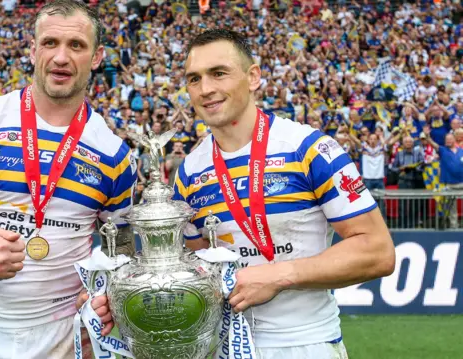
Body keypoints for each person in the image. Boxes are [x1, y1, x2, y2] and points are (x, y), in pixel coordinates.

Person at [0, 1, 136, 358]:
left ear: (97, 57)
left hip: (63, 336)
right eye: (50, 43)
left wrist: (106, 292)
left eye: (76, 46)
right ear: (33, 50)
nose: (61, 57)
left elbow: (122, 247)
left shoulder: (113, 155)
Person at [167, 29, 395, 358]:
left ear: (253, 77)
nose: (206, 89)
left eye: (219, 73)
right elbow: (196, 264)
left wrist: (278, 275)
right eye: (194, 79)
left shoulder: (310, 149)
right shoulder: (189, 173)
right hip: (224, 345)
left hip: (305, 342)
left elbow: (378, 251)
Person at [424, 131, 463, 229]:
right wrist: (427, 136)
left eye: (450, 139)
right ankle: (454, 228)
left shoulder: (461, 151)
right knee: (451, 209)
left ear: (454, 139)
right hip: (449, 185)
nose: (448, 141)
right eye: (446, 139)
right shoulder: (442, 150)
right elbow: (433, 144)